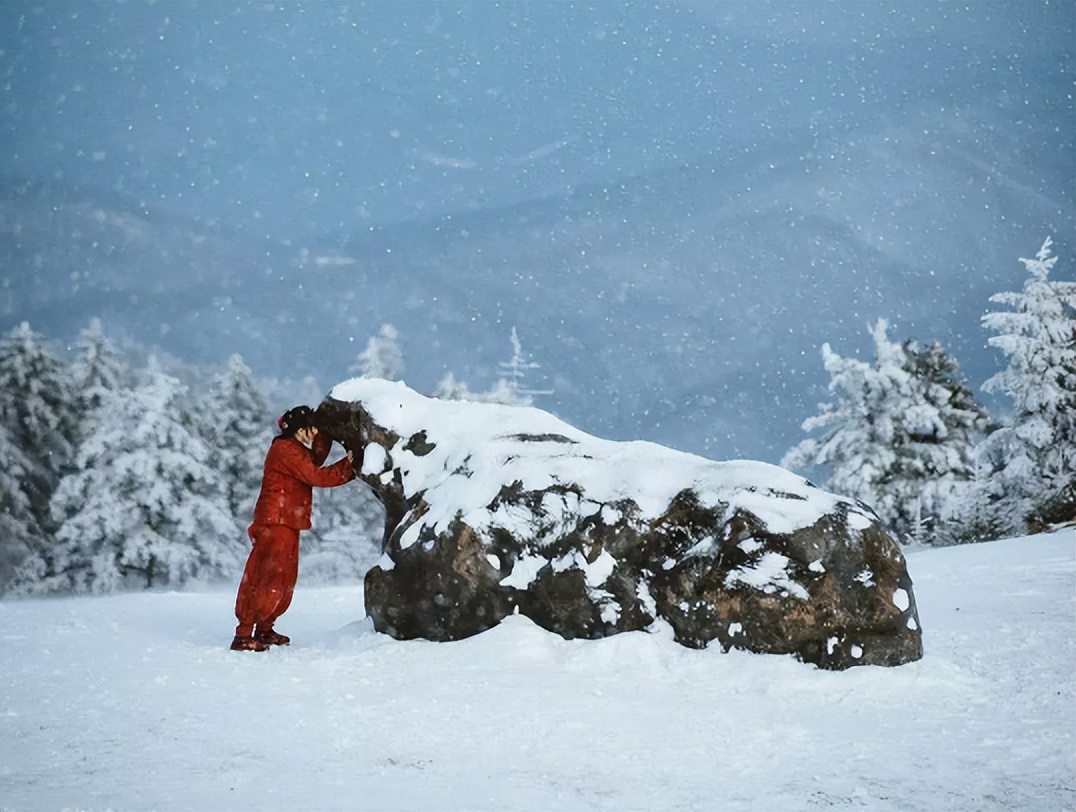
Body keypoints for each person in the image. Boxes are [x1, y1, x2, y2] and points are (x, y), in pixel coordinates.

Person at [230, 405, 357, 652]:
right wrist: (350, 465)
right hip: (276, 521)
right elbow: (318, 476)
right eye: (313, 430)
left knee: (282, 577)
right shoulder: (285, 450)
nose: (314, 435)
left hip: (286, 521)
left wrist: (326, 435)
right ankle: (244, 633)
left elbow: (314, 461)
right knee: (265, 576)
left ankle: (264, 628)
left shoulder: (293, 449)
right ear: (302, 429)